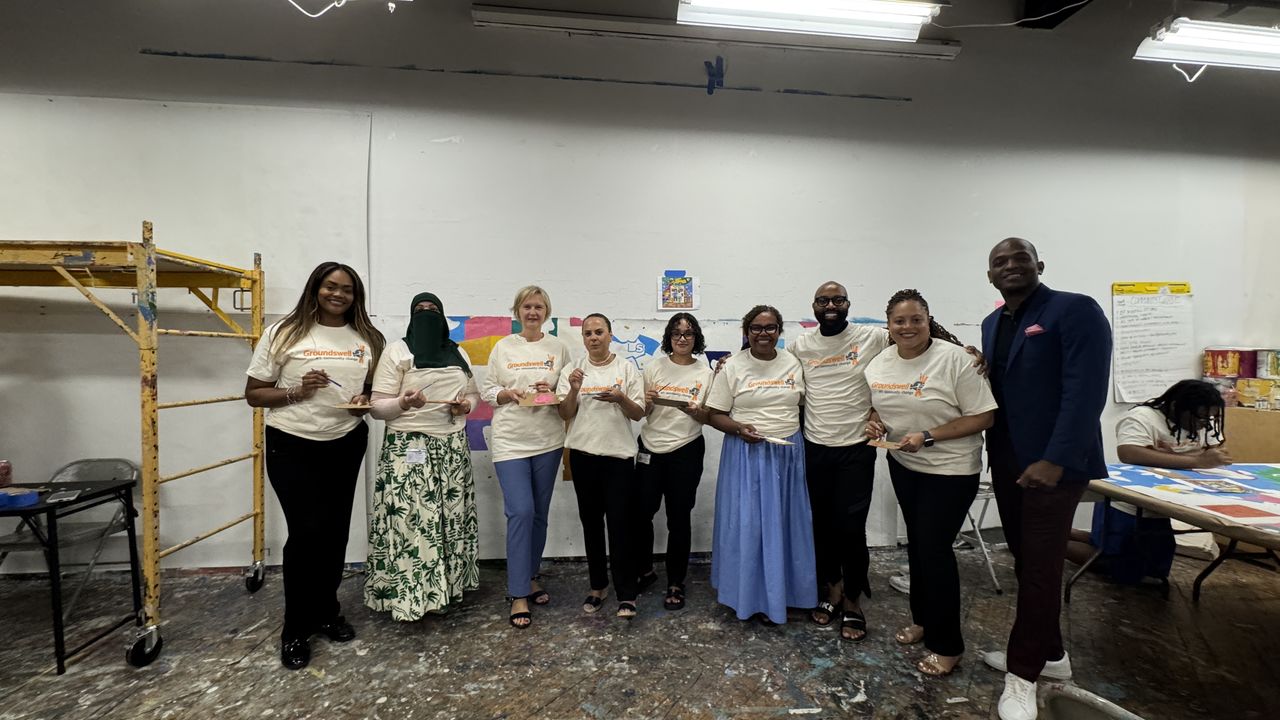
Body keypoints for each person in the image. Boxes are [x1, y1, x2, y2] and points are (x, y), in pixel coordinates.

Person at [979, 238, 1112, 720]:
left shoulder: (1074, 310)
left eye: (1020, 258)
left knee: (1039, 569)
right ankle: (1052, 654)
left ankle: (1022, 676)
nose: (1010, 266)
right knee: (1028, 560)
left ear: (1039, 264)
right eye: (1000, 262)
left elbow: (1085, 391)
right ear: (990, 275)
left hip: (1054, 467)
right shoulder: (992, 322)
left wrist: (1056, 459)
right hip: (1009, 462)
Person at [244, 261, 385, 670]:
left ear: (356, 296)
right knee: (306, 535)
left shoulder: (369, 338)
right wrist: (297, 391)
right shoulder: (284, 332)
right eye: (330, 286)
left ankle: (326, 611)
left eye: (347, 289)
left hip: (345, 442)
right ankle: (295, 627)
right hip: (292, 443)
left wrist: (363, 404)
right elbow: (254, 394)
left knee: (335, 532)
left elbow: (372, 392)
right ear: (315, 289)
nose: (338, 294)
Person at [864, 289, 997, 676]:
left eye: (915, 319)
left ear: (928, 320)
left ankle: (948, 645)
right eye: (899, 321)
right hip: (905, 465)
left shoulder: (956, 359)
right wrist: (875, 422)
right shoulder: (880, 363)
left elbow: (984, 417)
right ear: (889, 325)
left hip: (951, 471)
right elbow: (881, 405)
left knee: (935, 551)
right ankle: (923, 620)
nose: (907, 327)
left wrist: (929, 435)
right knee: (919, 547)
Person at [364, 291, 480, 621]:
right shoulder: (397, 351)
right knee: (412, 522)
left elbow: (472, 394)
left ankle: (446, 590)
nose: (427, 313)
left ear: (442, 316)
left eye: (433, 309)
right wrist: (403, 403)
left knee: (449, 520)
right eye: (420, 309)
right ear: (411, 316)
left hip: (452, 447)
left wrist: (465, 406)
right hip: (408, 448)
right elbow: (377, 407)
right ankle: (410, 597)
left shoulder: (458, 352)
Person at [788, 281, 891, 640]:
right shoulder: (801, 344)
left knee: (851, 528)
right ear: (813, 306)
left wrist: (967, 349)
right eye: (823, 300)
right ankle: (831, 589)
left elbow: (918, 340)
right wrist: (727, 361)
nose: (830, 305)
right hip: (815, 447)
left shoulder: (872, 337)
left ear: (848, 304)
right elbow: (770, 368)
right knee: (822, 526)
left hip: (856, 449)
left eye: (837, 300)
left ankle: (853, 600)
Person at [705, 305, 814, 625]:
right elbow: (714, 414)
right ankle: (748, 596)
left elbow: (804, 406)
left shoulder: (793, 363)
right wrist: (739, 428)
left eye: (770, 328)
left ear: (779, 331)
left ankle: (787, 594)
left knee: (786, 526)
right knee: (749, 527)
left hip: (788, 455)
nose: (763, 333)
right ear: (746, 332)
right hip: (746, 455)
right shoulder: (733, 366)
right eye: (756, 328)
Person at [1063, 379, 1231, 582]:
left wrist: (1169, 457)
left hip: (1164, 502)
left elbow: (1216, 452)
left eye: (1209, 418)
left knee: (1152, 565)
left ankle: (1061, 533)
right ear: (1176, 407)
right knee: (1114, 561)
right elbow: (1129, 453)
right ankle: (1046, 543)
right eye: (1200, 417)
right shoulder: (1143, 417)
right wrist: (1195, 460)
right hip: (1128, 502)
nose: (1204, 423)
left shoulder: (1204, 421)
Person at [480, 285, 571, 629]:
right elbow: (488, 389)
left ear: (547, 313)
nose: (533, 312)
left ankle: (530, 577)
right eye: (527, 307)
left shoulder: (558, 347)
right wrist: (507, 393)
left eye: (539, 307)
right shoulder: (503, 347)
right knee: (520, 511)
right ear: (517, 311)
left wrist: (553, 391)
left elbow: (566, 393)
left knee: (538, 515)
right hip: (510, 441)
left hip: (548, 440)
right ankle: (518, 592)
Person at [558, 313, 647, 618]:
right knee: (591, 524)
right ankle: (598, 587)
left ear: (610, 335)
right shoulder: (573, 370)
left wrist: (620, 398)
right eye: (588, 333)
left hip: (618, 457)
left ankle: (627, 593)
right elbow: (564, 413)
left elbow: (638, 413)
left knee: (621, 525)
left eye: (599, 332)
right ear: (583, 338)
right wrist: (573, 389)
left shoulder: (626, 368)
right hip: (583, 456)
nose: (593, 337)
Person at [633, 313, 715, 611]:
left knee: (678, 518)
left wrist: (697, 412)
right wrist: (647, 401)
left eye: (688, 333)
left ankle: (676, 582)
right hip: (650, 448)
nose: (682, 338)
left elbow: (710, 416)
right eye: (677, 333)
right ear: (669, 337)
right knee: (642, 513)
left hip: (686, 449)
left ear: (696, 338)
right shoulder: (653, 367)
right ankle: (645, 571)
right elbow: (639, 411)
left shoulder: (705, 373)